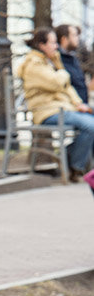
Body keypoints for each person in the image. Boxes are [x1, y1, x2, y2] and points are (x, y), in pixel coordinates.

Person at [17, 27, 94, 182]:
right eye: (52, 43)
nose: (56, 46)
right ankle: (74, 166)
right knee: (91, 126)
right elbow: (57, 83)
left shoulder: (48, 63)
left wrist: (79, 104)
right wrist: (62, 70)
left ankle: (67, 157)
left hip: (62, 108)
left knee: (91, 121)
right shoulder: (34, 65)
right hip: (47, 112)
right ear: (41, 45)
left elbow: (68, 88)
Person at [55, 24, 89, 103]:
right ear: (64, 39)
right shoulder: (57, 60)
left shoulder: (73, 58)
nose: (78, 38)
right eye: (74, 35)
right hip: (69, 107)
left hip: (82, 106)